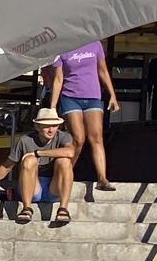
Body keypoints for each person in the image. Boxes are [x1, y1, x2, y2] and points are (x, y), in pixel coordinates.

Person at [0, 108, 77, 226]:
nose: (51, 129)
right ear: (37, 127)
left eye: (54, 125)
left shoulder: (64, 137)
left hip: (54, 187)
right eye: (46, 126)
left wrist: (38, 153)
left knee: (64, 161)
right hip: (32, 187)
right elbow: (6, 166)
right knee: (29, 161)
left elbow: (70, 152)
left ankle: (63, 209)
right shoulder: (25, 140)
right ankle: (27, 208)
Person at [49, 39, 119, 190]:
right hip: (70, 97)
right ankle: (65, 175)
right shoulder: (61, 47)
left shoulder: (95, 44)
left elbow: (103, 70)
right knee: (78, 139)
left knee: (97, 137)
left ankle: (102, 178)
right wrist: (52, 107)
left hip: (93, 96)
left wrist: (112, 95)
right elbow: (58, 78)